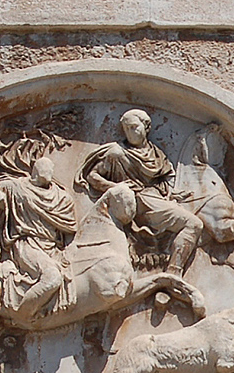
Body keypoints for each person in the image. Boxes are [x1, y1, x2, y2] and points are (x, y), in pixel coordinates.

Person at [79, 108, 206, 273]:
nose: (130, 133)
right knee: (194, 223)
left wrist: (171, 193)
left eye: (133, 127)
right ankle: (174, 273)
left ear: (146, 127)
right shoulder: (117, 153)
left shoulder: (155, 153)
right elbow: (92, 176)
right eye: (126, 129)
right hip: (137, 202)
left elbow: (165, 177)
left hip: (157, 200)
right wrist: (115, 187)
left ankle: (174, 270)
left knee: (197, 219)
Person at [0, 154, 78, 318]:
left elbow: (69, 225)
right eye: (46, 168)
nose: (50, 171)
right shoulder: (16, 187)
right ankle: (23, 313)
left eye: (51, 169)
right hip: (27, 245)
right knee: (52, 277)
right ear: (36, 170)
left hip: (53, 248)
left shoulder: (61, 197)